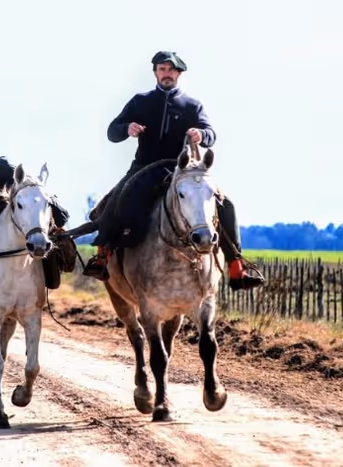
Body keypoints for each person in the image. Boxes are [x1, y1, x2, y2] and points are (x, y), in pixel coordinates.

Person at [81, 51, 265, 291]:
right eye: (162, 69)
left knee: (225, 204)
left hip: (183, 170)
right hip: (143, 169)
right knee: (114, 200)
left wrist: (201, 134)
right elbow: (112, 132)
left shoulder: (192, 105)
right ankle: (102, 256)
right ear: (155, 73)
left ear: (178, 74)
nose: (166, 74)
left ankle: (236, 267)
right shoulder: (140, 101)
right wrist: (127, 128)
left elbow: (211, 134)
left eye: (170, 70)